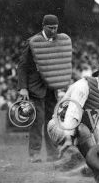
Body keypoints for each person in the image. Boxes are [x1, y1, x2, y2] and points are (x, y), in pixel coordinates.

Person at [47, 59, 99, 183]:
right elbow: (72, 113)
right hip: (60, 126)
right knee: (83, 130)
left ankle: (73, 163)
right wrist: (69, 138)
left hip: (82, 131)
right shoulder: (83, 85)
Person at [17, 14, 72, 163]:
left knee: (52, 122)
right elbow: (22, 66)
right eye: (50, 28)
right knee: (38, 121)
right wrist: (23, 88)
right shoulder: (33, 42)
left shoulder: (58, 42)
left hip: (51, 89)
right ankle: (34, 154)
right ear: (43, 26)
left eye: (56, 28)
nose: (54, 31)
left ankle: (52, 154)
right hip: (35, 87)